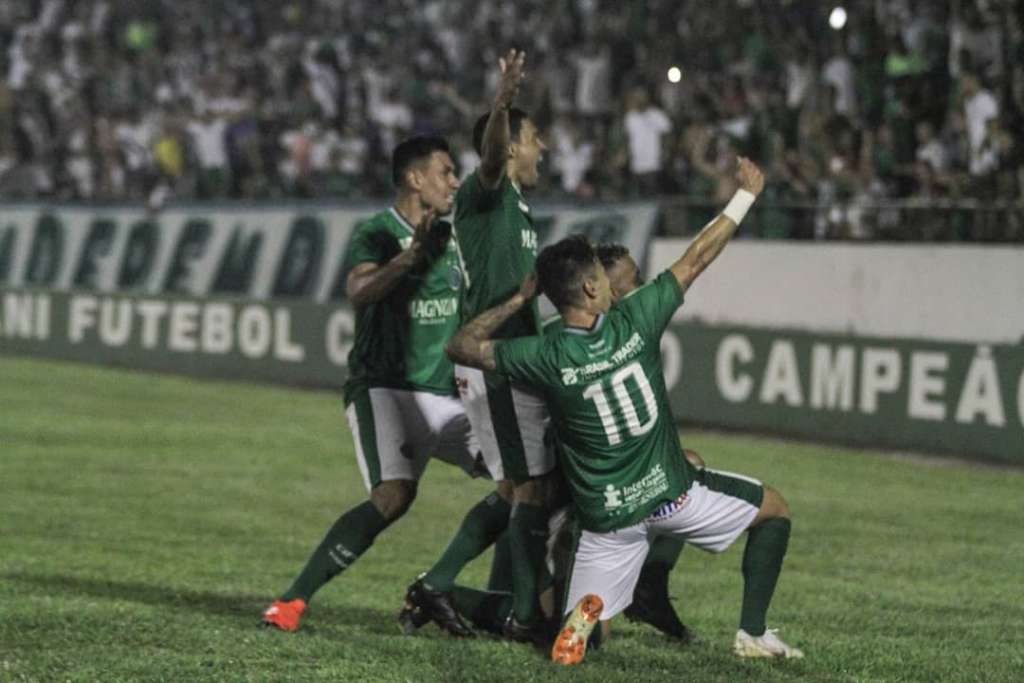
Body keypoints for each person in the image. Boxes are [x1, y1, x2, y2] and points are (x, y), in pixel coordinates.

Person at [447, 157, 805, 664]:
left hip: (606, 517)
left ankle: (583, 613)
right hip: (669, 497)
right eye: (606, 277)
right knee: (774, 509)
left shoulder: (544, 353)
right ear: (594, 288)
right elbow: (698, 257)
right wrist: (744, 196)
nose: (620, 287)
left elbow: (462, 347)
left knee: (585, 629)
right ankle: (753, 633)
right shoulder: (635, 321)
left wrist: (516, 300)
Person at [261, 135, 481, 633]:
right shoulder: (379, 232)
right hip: (385, 389)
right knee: (393, 497)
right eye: (445, 172)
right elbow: (359, 290)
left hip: (444, 397)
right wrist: (409, 258)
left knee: (525, 479)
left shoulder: (455, 237)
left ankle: (469, 597)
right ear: (414, 178)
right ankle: (292, 602)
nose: (454, 182)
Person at [402, 49, 557, 641]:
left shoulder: (517, 206)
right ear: (512, 145)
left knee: (516, 488)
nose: (542, 148)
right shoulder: (485, 191)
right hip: (492, 362)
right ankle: (520, 612)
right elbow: (490, 157)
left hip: (510, 358)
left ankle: (440, 584)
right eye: (535, 138)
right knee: (529, 489)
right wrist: (503, 103)